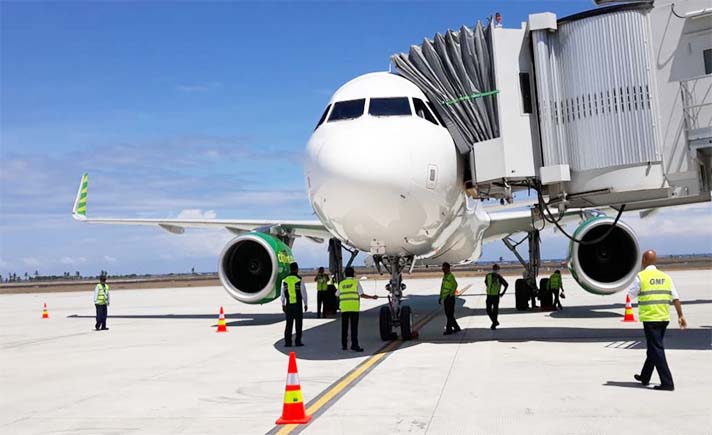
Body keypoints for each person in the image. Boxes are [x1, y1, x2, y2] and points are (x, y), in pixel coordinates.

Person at [629, 250, 686, 391]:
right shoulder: (665, 277)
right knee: (653, 348)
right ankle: (645, 376)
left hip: (650, 318)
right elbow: (675, 298)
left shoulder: (641, 277)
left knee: (656, 349)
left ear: (643, 260)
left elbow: (631, 294)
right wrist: (680, 316)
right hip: (663, 317)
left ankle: (667, 382)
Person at [337, 266, 377, 352]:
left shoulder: (341, 283)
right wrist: (372, 297)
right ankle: (354, 345)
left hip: (344, 308)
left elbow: (337, 294)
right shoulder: (355, 283)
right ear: (353, 274)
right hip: (354, 308)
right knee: (353, 328)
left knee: (344, 327)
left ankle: (344, 345)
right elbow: (361, 294)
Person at [281, 262, 308, 347]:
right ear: (296, 269)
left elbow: (282, 294)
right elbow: (304, 293)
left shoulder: (284, 280)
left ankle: (288, 342)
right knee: (298, 324)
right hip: (298, 305)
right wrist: (305, 303)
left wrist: (283, 304)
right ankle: (298, 341)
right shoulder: (299, 280)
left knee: (289, 325)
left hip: (289, 305)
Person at [438, 262, 461, 335]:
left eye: (444, 268)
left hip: (450, 298)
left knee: (449, 315)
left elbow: (455, 285)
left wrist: (450, 294)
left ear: (448, 268)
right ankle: (456, 328)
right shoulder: (445, 276)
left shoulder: (450, 276)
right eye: (442, 268)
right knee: (449, 314)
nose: (443, 270)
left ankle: (449, 329)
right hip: (445, 298)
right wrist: (440, 297)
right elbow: (443, 288)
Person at [485, 264, 509, 330]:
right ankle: (495, 322)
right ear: (498, 269)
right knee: (492, 310)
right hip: (493, 295)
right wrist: (502, 293)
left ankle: (494, 324)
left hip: (492, 295)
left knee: (490, 310)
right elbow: (506, 285)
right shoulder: (491, 276)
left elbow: (486, 283)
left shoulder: (490, 276)